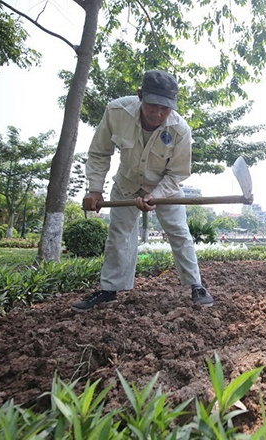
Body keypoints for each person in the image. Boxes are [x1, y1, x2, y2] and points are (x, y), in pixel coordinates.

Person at [74, 70, 213, 312]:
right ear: (140, 96)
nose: (159, 114)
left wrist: (156, 195)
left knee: (179, 232)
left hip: (165, 187)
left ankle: (196, 286)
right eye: (153, 106)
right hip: (127, 182)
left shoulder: (180, 130)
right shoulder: (117, 113)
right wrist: (95, 189)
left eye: (166, 108)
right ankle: (109, 291)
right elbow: (99, 152)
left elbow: (178, 173)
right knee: (118, 234)